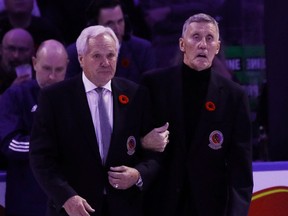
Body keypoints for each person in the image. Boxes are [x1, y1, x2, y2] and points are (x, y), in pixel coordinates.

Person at [29, 25, 160, 216]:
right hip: (74, 210)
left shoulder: (136, 94)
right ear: (81, 59)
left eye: (111, 55)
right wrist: (66, 197)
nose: (105, 62)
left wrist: (138, 174)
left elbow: (154, 153)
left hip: (124, 208)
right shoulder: (54, 98)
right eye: (97, 56)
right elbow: (40, 158)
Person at [141, 13, 253, 216]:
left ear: (217, 48)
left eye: (210, 38)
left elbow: (241, 168)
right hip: (161, 204)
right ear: (182, 44)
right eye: (196, 37)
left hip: (210, 207)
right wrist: (143, 141)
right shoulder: (154, 85)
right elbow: (132, 138)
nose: (203, 44)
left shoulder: (234, 96)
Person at [0, 39, 68, 216]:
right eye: (46, 68)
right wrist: (48, 145)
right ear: (34, 63)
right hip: (27, 200)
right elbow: (9, 144)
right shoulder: (15, 95)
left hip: (67, 200)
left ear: (67, 67)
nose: (52, 76)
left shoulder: (76, 96)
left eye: (59, 70)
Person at [65, 0, 156, 83]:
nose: (117, 28)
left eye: (120, 21)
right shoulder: (75, 54)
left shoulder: (143, 50)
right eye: (110, 23)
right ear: (95, 25)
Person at [0, 28, 34, 95]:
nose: (16, 55)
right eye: (11, 49)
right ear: (1, 50)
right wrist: (11, 93)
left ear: (32, 52)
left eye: (22, 50)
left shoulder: (40, 74)